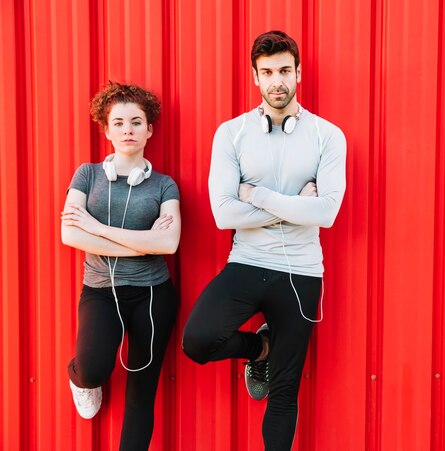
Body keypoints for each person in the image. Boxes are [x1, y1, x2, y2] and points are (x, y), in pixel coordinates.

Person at [182, 30, 346, 450]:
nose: (278, 81)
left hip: (302, 273)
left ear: (299, 74)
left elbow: (326, 212)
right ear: (255, 76)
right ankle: (261, 348)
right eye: (268, 72)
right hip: (247, 263)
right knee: (198, 341)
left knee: (285, 389)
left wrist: (255, 195)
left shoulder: (328, 136)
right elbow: (223, 214)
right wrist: (295, 205)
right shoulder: (231, 134)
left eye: (285, 71)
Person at [60, 82, 181, 451]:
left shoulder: (165, 185)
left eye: (136, 122)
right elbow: (69, 234)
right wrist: (142, 244)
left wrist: (97, 229)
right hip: (100, 291)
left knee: (141, 393)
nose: (127, 129)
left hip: (153, 295)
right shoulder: (87, 175)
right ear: (106, 130)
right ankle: (80, 378)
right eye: (118, 123)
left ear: (149, 129)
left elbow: (169, 244)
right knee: (94, 367)